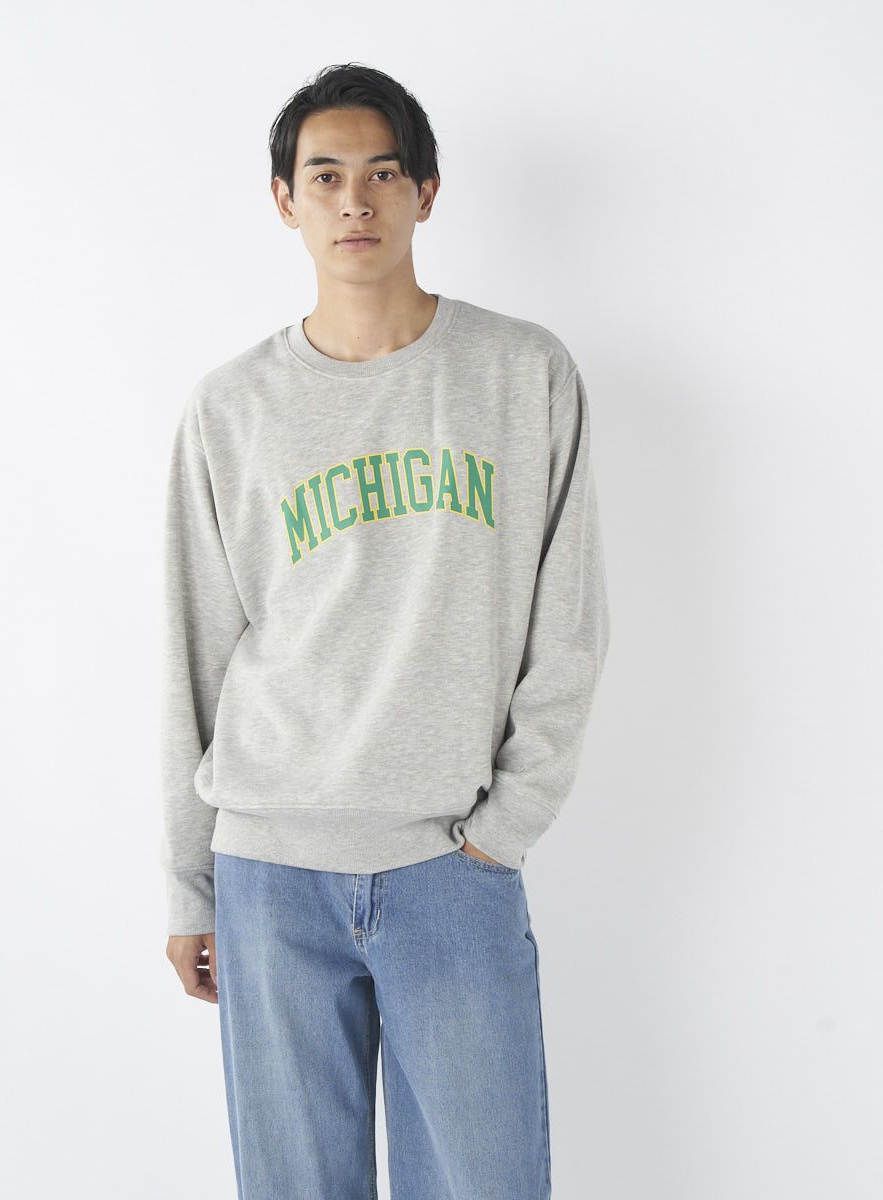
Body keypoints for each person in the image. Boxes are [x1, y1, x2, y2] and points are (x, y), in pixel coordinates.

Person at [160, 61, 611, 1199]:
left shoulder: (522, 375)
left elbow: (568, 624)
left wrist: (503, 830)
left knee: (484, 1182)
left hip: (451, 864)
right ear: (285, 200)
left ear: (426, 193)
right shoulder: (230, 408)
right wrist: (188, 886)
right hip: (269, 872)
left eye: (382, 174)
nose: (354, 201)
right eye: (325, 177)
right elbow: (193, 653)